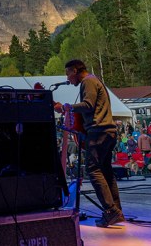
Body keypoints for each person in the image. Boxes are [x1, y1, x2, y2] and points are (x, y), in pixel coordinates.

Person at [54, 59, 123, 228]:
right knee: (106, 171)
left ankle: (110, 210)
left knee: (93, 170)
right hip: (107, 131)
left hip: (98, 132)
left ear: (76, 70)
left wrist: (66, 108)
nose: (68, 78)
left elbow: (88, 105)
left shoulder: (88, 82)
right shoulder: (94, 80)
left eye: (68, 74)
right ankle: (116, 211)